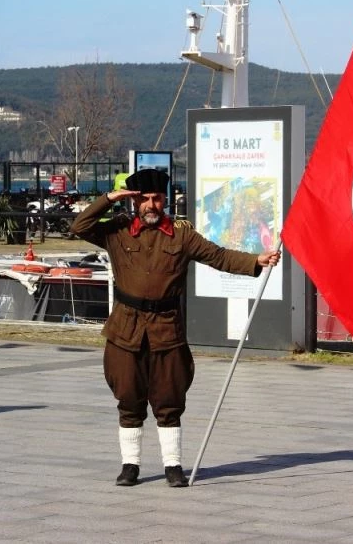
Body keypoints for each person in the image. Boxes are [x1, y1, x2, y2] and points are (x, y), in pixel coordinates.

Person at [70, 169, 280, 488]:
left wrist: (256, 261)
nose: (150, 205)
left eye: (156, 198)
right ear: (134, 201)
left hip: (166, 330)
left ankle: (173, 466)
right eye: (143, 199)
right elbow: (79, 226)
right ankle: (130, 466)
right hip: (126, 330)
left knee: (169, 400)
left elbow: (218, 256)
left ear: (165, 200)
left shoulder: (182, 235)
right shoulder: (118, 230)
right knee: (128, 398)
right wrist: (109, 199)